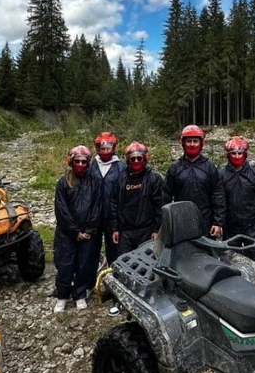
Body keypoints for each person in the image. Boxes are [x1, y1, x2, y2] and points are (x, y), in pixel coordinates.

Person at [53, 145, 103, 312]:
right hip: (67, 233)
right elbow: (62, 211)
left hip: (88, 233)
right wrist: (75, 231)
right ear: (71, 162)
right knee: (65, 265)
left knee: (85, 265)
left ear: (88, 163)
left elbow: (97, 207)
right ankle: (62, 296)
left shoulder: (95, 181)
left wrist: (88, 230)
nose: (80, 164)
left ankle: (80, 294)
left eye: (84, 162)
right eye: (77, 161)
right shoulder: (63, 182)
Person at [220, 136, 255, 279]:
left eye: (240, 153)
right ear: (227, 154)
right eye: (233, 153)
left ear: (245, 154)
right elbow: (216, 200)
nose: (237, 156)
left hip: (253, 225)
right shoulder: (220, 175)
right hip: (230, 225)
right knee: (230, 259)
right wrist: (217, 222)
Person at [164, 124, 225, 237]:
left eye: (195, 141)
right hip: (181, 220)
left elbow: (218, 195)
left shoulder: (210, 167)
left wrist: (218, 222)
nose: (192, 144)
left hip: (205, 220)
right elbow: (165, 196)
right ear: (183, 143)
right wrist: (166, 222)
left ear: (201, 143)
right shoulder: (175, 168)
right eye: (189, 141)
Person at [110, 142, 170, 255]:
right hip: (125, 232)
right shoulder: (120, 179)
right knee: (123, 262)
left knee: (146, 264)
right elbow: (114, 204)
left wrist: (157, 230)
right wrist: (115, 229)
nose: (136, 161)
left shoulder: (154, 178)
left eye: (139, 158)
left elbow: (160, 205)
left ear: (145, 159)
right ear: (128, 160)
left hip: (146, 231)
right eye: (133, 159)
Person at [90, 131, 126, 267]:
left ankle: (114, 276)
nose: (105, 150)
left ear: (114, 148)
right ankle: (90, 281)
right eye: (102, 148)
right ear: (97, 148)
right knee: (91, 250)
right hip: (94, 216)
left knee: (115, 251)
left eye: (108, 147)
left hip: (113, 217)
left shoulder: (121, 167)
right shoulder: (90, 165)